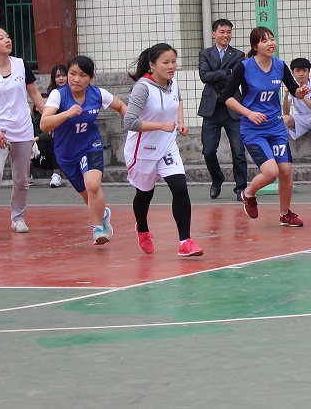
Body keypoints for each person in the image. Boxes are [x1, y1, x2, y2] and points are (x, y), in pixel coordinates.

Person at [222, 27, 311, 227]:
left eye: (272, 39)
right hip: (253, 129)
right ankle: (248, 193)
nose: (271, 43)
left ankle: (285, 214)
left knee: (285, 171)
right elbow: (226, 97)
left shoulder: (279, 65)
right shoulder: (244, 67)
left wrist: (301, 92)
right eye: (264, 41)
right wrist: (248, 113)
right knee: (271, 172)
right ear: (255, 46)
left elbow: (295, 91)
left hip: (276, 127)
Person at [123, 43, 203, 257]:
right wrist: (160, 125)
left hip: (167, 146)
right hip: (142, 150)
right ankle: (142, 228)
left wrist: (180, 121)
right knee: (144, 194)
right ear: (152, 65)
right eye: (165, 62)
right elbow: (129, 122)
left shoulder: (173, 83)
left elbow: (178, 101)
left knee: (180, 188)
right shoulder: (143, 88)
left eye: (173, 61)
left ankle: (185, 241)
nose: (171, 66)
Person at [40, 56, 126, 245]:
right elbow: (44, 123)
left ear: (90, 78)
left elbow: (120, 106)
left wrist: (133, 126)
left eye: (82, 75)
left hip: (90, 146)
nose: (76, 79)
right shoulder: (58, 95)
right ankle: (103, 214)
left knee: (93, 185)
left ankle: (98, 229)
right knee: (88, 197)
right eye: (72, 74)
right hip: (66, 154)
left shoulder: (98, 94)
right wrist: (67, 113)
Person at [0, 26, 46, 242]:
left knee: (22, 179)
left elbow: (34, 93)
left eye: (8, 36)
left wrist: (48, 116)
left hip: (22, 129)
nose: (7, 40)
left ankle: (18, 217)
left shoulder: (21, 65)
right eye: (1, 38)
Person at [198, 18, 248, 201]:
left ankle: (241, 188)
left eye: (229, 32)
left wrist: (218, 75)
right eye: (222, 32)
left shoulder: (239, 54)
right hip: (211, 108)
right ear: (214, 34)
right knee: (208, 151)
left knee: (238, 151)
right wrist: (227, 72)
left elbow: (237, 77)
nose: (226, 35)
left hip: (233, 108)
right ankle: (217, 178)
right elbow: (204, 76)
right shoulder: (205, 54)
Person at [36, 65, 68, 187]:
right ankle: (56, 173)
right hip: (57, 127)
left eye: (63, 75)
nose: (61, 79)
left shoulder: (74, 90)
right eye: (58, 76)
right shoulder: (52, 94)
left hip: (72, 126)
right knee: (51, 140)